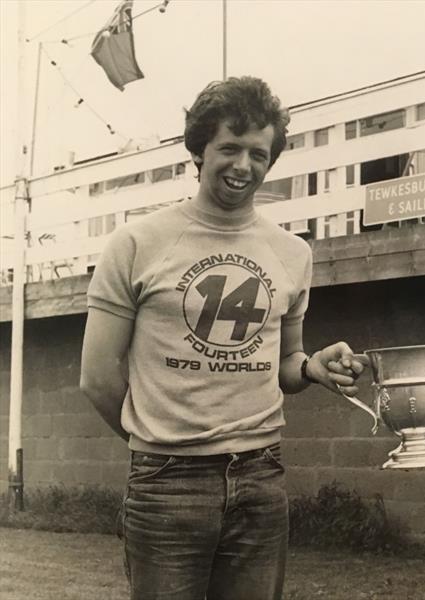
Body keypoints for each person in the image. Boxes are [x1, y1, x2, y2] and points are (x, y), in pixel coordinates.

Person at [80, 76, 362, 600]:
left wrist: (312, 367)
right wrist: (158, 444)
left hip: (261, 476)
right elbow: (97, 376)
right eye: (229, 148)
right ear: (199, 150)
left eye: (258, 153)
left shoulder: (292, 252)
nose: (243, 166)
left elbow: (285, 361)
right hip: (166, 481)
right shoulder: (137, 243)